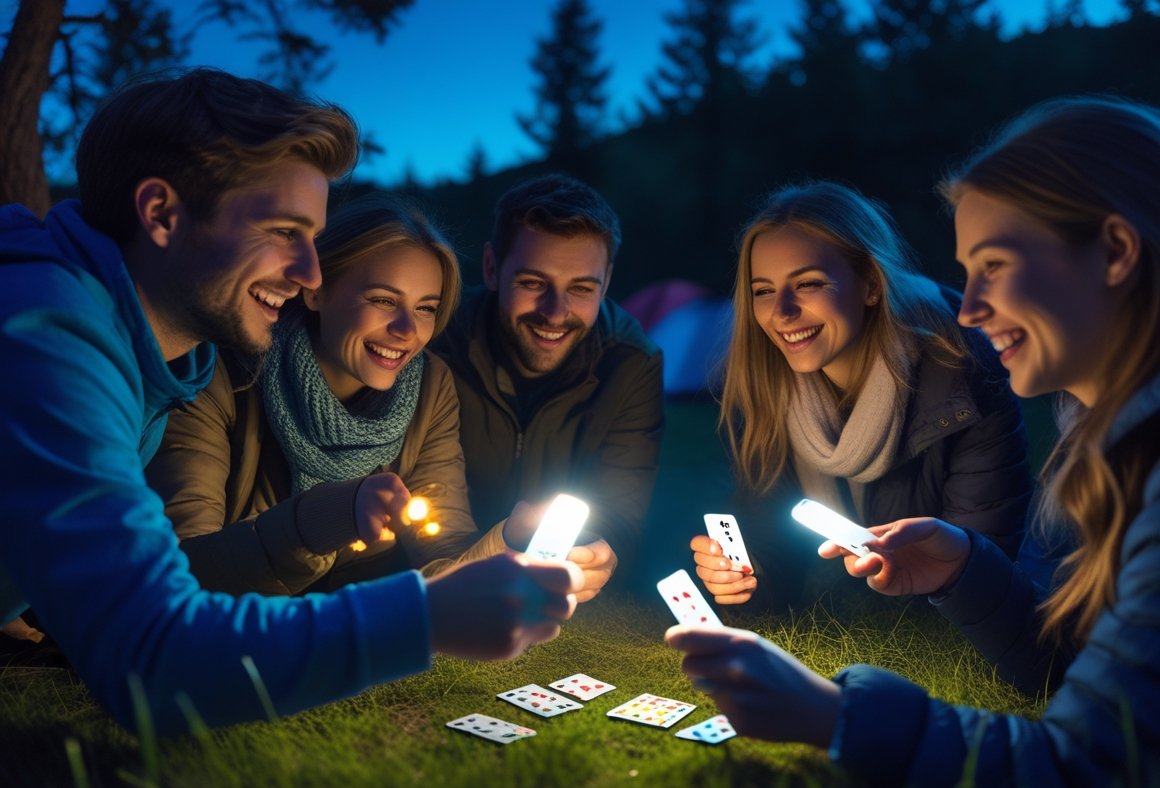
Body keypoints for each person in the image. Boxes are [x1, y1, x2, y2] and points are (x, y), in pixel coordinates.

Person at [666, 96, 1160, 788]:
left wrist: (837, 716)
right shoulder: (1100, 446)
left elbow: (1097, 776)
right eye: (968, 271)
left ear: (1115, 251)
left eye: (994, 265)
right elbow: (1063, 667)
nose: (969, 307)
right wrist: (962, 566)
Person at [0, 69, 581, 736]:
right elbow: (157, 654)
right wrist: (425, 619)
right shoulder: (49, 332)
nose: (308, 272)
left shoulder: (144, 354)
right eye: (284, 232)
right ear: (161, 213)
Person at [144, 194, 609, 600]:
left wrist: (508, 543)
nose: (408, 332)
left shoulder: (430, 386)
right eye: (384, 300)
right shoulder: (221, 372)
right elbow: (179, 575)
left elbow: (442, 554)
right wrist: (320, 521)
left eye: (425, 308)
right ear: (317, 292)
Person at [691, 181, 1032, 609]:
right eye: (763, 291)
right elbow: (771, 546)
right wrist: (745, 576)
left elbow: (986, 568)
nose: (781, 312)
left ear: (871, 285)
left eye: (808, 283)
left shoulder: (961, 375)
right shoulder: (763, 386)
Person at [430, 174, 664, 593]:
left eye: (581, 288)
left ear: (607, 281)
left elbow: (621, 517)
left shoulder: (631, 363)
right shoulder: (437, 343)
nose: (555, 313)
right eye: (533, 283)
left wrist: (599, 558)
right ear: (491, 268)